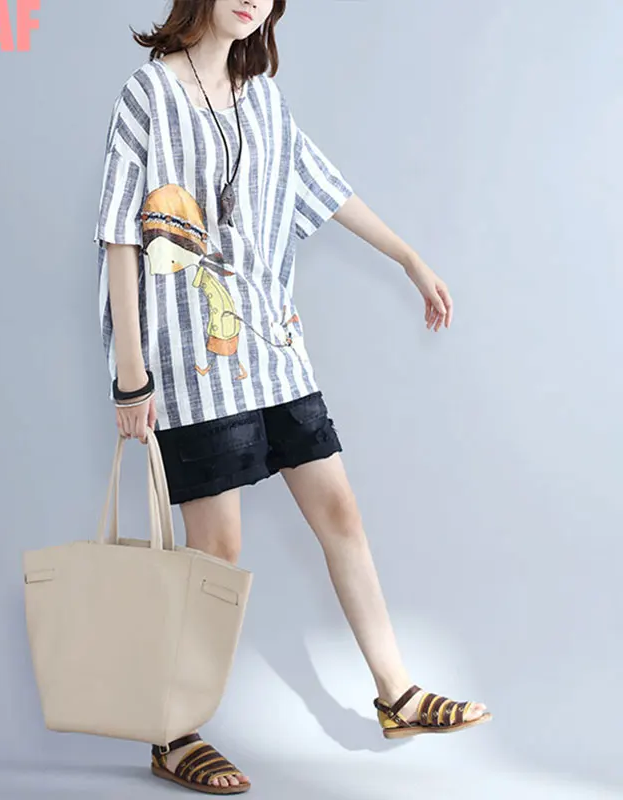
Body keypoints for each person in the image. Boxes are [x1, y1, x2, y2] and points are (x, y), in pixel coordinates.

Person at [92, 0, 491, 793]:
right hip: (191, 362)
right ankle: (174, 734)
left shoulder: (263, 99)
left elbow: (323, 188)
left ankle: (397, 694)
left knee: (340, 512)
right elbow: (119, 235)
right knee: (218, 551)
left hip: (273, 350)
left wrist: (408, 257)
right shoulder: (148, 94)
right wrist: (130, 378)